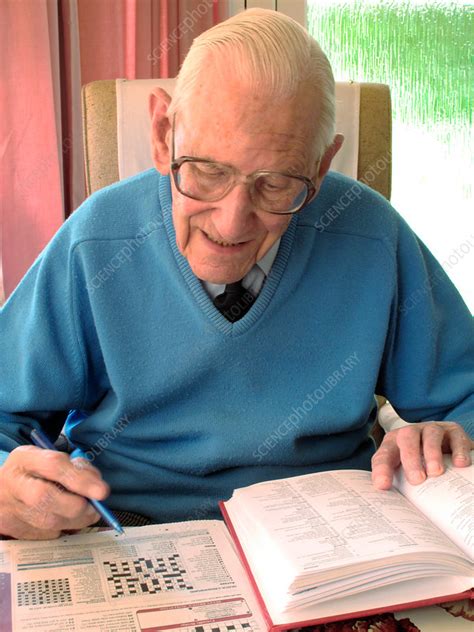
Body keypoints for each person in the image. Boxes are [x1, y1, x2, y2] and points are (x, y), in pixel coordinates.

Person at [0, 9, 472, 541]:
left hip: (334, 537)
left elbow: (465, 395)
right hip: (130, 528)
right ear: (163, 135)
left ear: (320, 169)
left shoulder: (371, 235)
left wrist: (445, 434)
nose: (231, 222)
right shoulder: (96, 242)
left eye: (275, 184)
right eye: (207, 170)